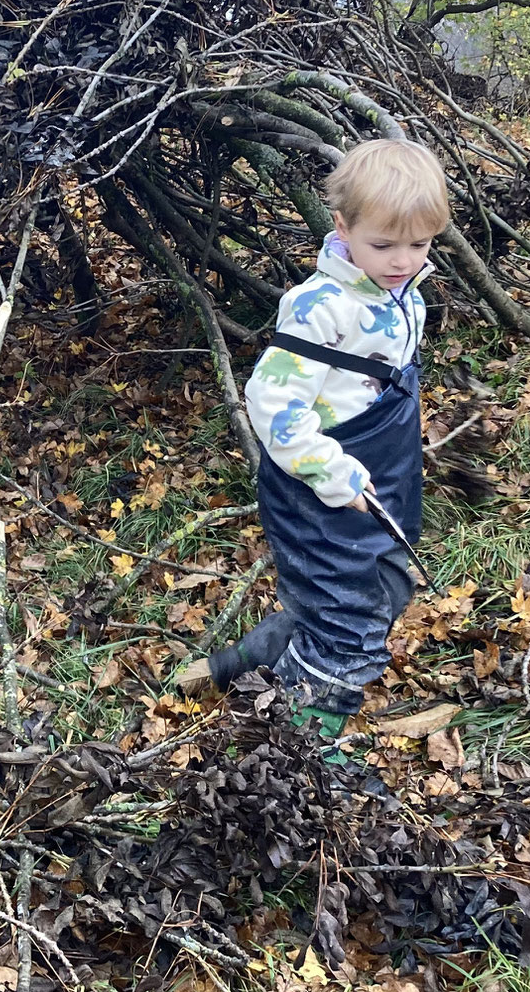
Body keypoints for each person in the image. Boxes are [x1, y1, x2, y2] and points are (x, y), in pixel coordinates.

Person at [190, 138, 449, 748]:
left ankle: (242, 663)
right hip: (320, 488)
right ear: (342, 226)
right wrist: (334, 473)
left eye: (419, 244)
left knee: (388, 584)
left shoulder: (398, 290)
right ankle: (299, 746)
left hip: (383, 471)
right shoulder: (319, 307)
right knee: (350, 623)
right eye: (384, 245)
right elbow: (274, 406)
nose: (402, 261)